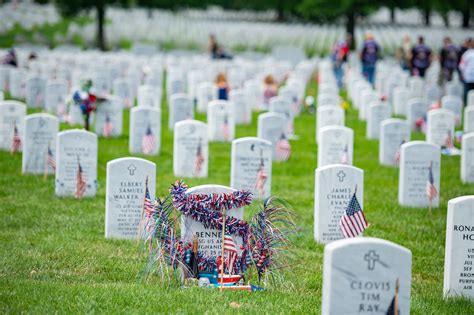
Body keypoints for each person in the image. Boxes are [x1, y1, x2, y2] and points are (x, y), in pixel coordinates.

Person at [459, 40, 474, 104]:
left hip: (468, 75)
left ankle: (466, 103)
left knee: (467, 91)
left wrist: (462, 74)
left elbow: (461, 65)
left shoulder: (467, 53)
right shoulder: (467, 53)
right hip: (469, 75)